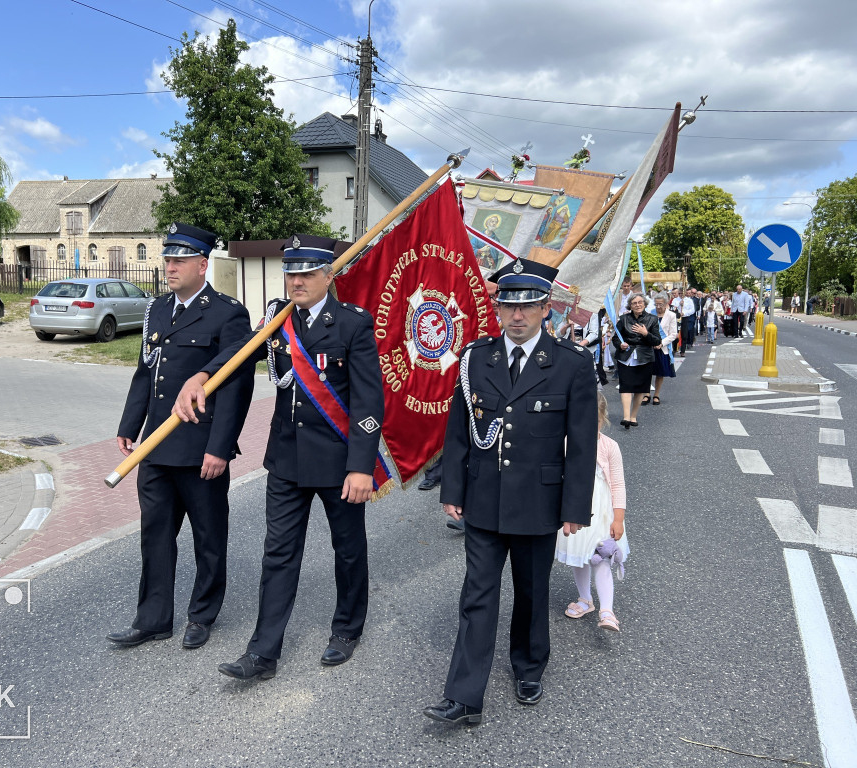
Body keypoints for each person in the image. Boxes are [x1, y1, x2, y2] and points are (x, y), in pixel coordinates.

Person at [174, 234, 384, 679]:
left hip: (338, 463)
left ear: (329, 275)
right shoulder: (279, 318)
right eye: (291, 272)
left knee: (347, 550)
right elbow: (241, 351)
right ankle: (263, 652)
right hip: (286, 460)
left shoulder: (352, 324)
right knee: (279, 555)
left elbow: (368, 401)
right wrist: (202, 373)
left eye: (307, 272)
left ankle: (347, 628)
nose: (297, 280)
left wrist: (362, 466)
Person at [423, 259, 598, 725]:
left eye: (527, 307)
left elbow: (583, 445)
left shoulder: (571, 364)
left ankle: (528, 664)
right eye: (507, 306)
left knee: (531, 591)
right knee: (477, 594)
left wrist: (575, 507)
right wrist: (452, 489)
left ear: (545, 309)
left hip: (540, 502)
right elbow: (458, 432)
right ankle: (464, 696)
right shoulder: (477, 358)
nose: (516, 316)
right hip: (483, 498)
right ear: (497, 309)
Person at [108, 223, 254, 649]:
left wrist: (220, 448)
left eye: (178, 260)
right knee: (155, 535)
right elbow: (145, 373)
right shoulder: (156, 309)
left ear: (202, 264)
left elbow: (236, 385)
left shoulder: (228, 313)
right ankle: (152, 619)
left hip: (199, 449)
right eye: (167, 259)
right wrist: (128, 426)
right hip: (154, 447)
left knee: (208, 538)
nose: (169, 267)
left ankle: (201, 615)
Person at [556, 391, 628, 631]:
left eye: (594, 421)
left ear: (603, 418)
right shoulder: (565, 442)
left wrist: (619, 519)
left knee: (601, 558)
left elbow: (617, 484)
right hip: (576, 510)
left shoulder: (609, 447)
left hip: (602, 514)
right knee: (579, 557)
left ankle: (607, 610)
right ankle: (585, 599)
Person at [614, 293, 660, 428]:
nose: (638, 305)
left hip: (644, 357)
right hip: (626, 357)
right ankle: (626, 417)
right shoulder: (623, 319)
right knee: (626, 386)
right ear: (630, 306)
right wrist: (620, 344)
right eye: (634, 303)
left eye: (640, 302)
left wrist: (645, 333)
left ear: (645, 304)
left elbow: (657, 340)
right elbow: (616, 338)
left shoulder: (652, 319)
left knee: (641, 388)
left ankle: (633, 416)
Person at [646, 293, 677, 405]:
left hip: (663, 347)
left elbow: (673, 334)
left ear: (666, 304)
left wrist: (661, 343)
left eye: (660, 304)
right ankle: (647, 393)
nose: (658, 307)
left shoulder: (671, 315)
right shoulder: (650, 314)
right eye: (656, 304)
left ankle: (657, 395)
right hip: (650, 347)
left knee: (660, 372)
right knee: (647, 372)